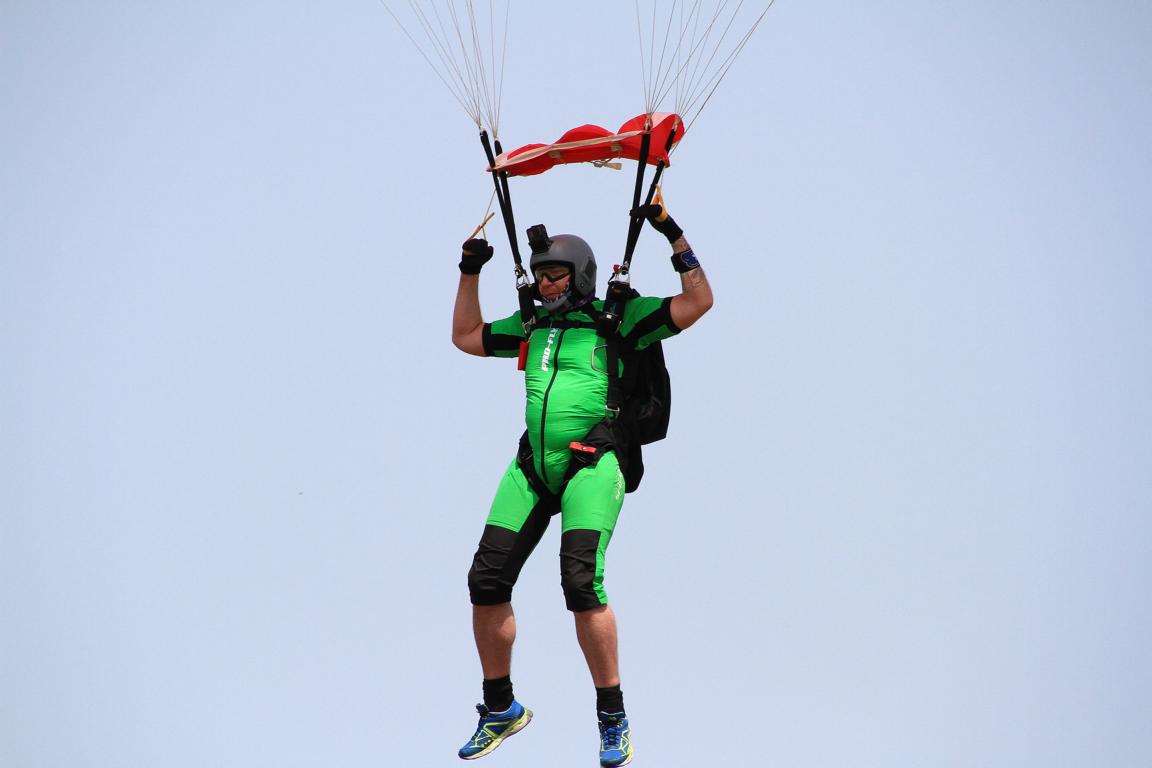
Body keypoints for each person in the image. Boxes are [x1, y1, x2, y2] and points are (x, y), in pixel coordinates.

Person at [450, 200, 713, 767]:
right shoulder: (532, 327)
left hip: (593, 464)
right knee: (485, 579)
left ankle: (612, 716)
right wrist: (470, 271)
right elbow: (466, 335)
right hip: (533, 466)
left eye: (556, 275)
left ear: (581, 276)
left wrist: (672, 233)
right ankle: (500, 707)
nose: (546, 285)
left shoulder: (619, 320)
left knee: (579, 583)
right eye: (541, 276)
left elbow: (698, 302)